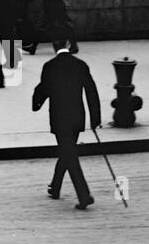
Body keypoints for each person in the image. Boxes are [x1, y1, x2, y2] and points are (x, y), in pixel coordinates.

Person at [32, 42, 101, 210]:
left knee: (68, 153)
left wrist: (37, 103)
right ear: (69, 45)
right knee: (67, 151)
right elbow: (91, 91)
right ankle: (55, 187)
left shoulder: (50, 66)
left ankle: (83, 194)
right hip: (77, 116)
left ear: (54, 47)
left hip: (59, 116)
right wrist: (95, 119)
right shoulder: (80, 64)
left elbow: (43, 88)